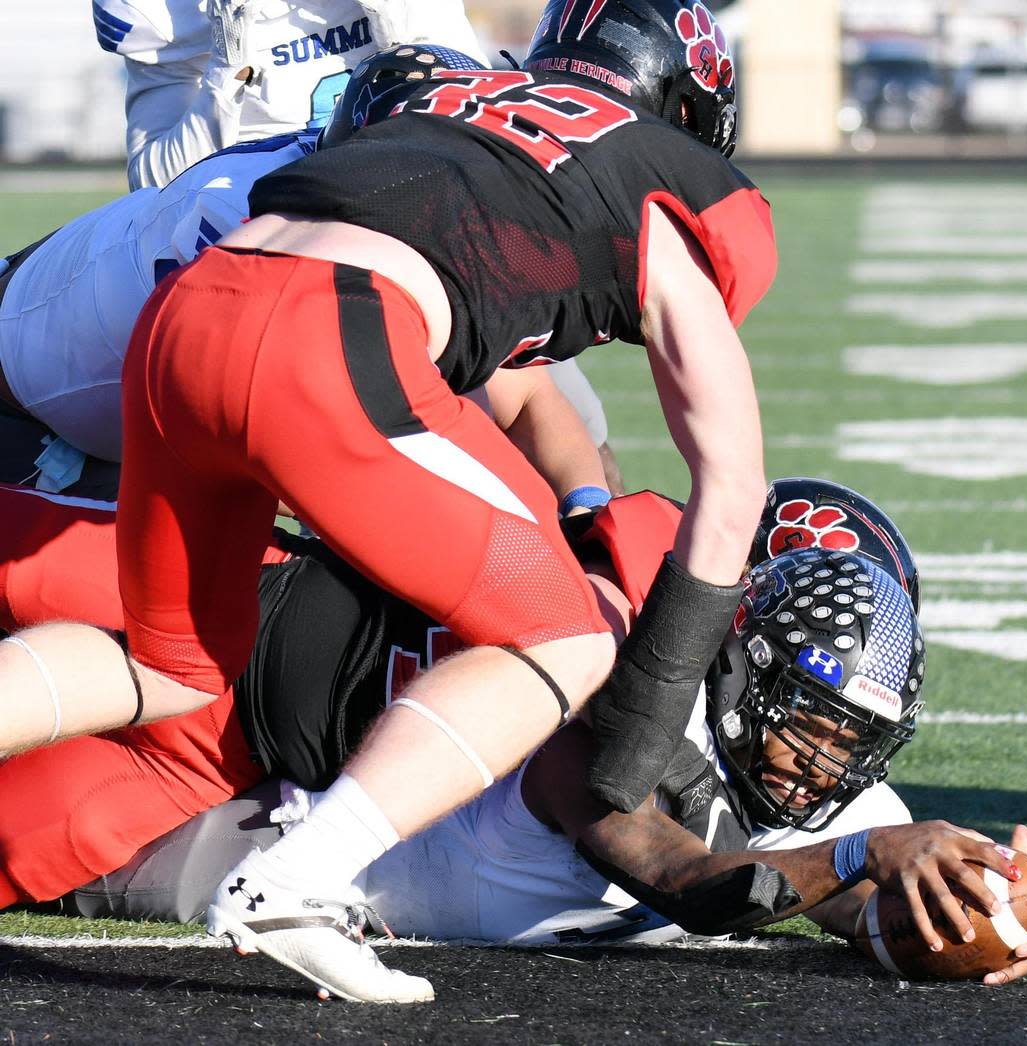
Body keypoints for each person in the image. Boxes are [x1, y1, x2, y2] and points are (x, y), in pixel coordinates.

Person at [0, 0, 774, 1002]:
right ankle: (300, 877)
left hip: (186, 309)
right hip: (319, 331)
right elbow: (732, 485)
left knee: (170, 662)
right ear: (684, 114)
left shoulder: (445, 87)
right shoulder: (685, 190)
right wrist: (627, 754)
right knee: (568, 633)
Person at [0, 484, 1027, 990]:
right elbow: (685, 875)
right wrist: (858, 856)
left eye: (853, 738)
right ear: (735, 664)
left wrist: (980, 917)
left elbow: (869, 906)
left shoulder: (849, 807)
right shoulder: (632, 695)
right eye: (810, 719)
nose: (821, 763)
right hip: (266, 805)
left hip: (223, 800)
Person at [0, 45, 607, 506]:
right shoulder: (269, 232)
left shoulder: (354, 200)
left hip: (101, 369)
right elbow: (340, 473)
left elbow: (532, 398)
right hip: (27, 402)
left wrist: (590, 515)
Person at [94, 0, 488, 189]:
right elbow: (152, 185)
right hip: (251, 212)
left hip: (397, 190)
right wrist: (230, 67)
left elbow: (480, 123)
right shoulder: (163, 13)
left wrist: (394, 18)